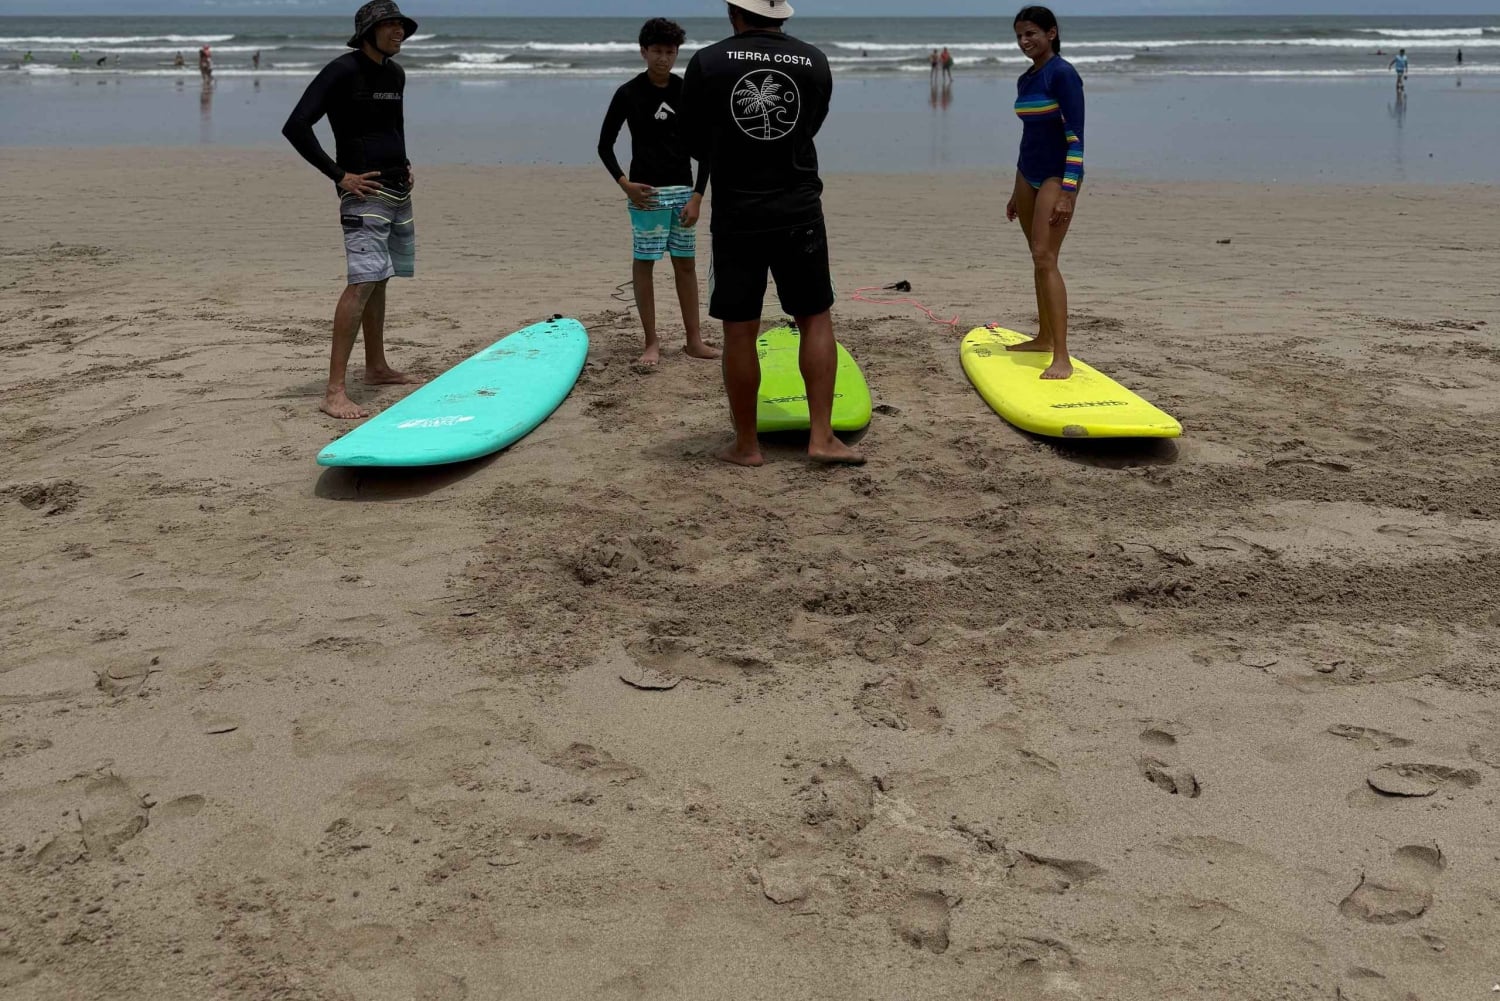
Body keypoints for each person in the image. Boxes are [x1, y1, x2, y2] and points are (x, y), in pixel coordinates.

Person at [681, 0, 863, 467]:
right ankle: (821, 437)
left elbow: (693, 137)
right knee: (814, 318)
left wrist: (729, 149)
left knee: (740, 330)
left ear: (733, 13)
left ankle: (746, 445)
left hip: (738, 211)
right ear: (782, 14)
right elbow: (810, 125)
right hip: (798, 207)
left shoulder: (708, 61)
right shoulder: (814, 61)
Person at [282, 1, 422, 419]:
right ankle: (334, 391)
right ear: (368, 31)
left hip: (397, 189)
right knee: (361, 282)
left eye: (400, 24)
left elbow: (392, 126)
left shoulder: (395, 74)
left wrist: (406, 162)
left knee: (379, 279)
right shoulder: (342, 70)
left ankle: (376, 367)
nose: (398, 31)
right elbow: (296, 126)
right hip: (363, 195)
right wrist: (339, 175)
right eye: (390, 24)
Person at [597, 18, 719, 367]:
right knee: (645, 263)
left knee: (684, 265)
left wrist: (698, 196)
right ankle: (651, 343)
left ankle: (693, 340)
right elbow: (605, 145)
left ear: (677, 53)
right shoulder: (628, 93)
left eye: (670, 52)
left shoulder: (686, 92)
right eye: (657, 51)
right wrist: (625, 184)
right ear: (644, 52)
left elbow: (708, 149)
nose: (663, 58)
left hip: (683, 191)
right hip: (646, 194)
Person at [1005, 5, 1084, 380]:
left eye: (1031, 33)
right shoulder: (1026, 79)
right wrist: (1015, 189)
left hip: (1057, 175)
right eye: (1020, 35)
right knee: (1036, 258)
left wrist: (1068, 190)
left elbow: (1076, 138)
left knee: (1045, 256)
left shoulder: (1063, 74)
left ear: (1051, 33)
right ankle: (1043, 337)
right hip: (1027, 174)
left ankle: (1063, 356)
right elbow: (1029, 136)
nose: (1024, 41)